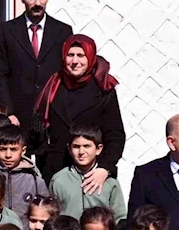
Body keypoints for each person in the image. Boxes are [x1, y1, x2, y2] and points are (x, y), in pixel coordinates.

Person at [31, 34, 124, 185]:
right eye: (70, 55)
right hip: (55, 173)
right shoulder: (53, 85)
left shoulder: (103, 90)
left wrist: (105, 168)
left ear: (90, 57)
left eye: (81, 55)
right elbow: (38, 131)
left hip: (92, 175)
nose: (75, 61)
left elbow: (115, 135)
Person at [0, 0, 74, 130]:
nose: (37, 3)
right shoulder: (6, 31)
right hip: (17, 116)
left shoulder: (63, 31)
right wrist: (8, 112)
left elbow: (68, 72)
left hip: (54, 114)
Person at [50, 125, 127, 223]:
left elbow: (119, 218)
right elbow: (51, 216)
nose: (81, 152)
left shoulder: (110, 182)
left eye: (87, 146)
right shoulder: (58, 180)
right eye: (76, 146)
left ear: (98, 149)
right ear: (69, 149)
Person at [0, 125, 49, 229]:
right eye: (3, 149)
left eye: (13, 149)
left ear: (23, 150)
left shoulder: (34, 180)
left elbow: (46, 212)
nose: (8, 155)